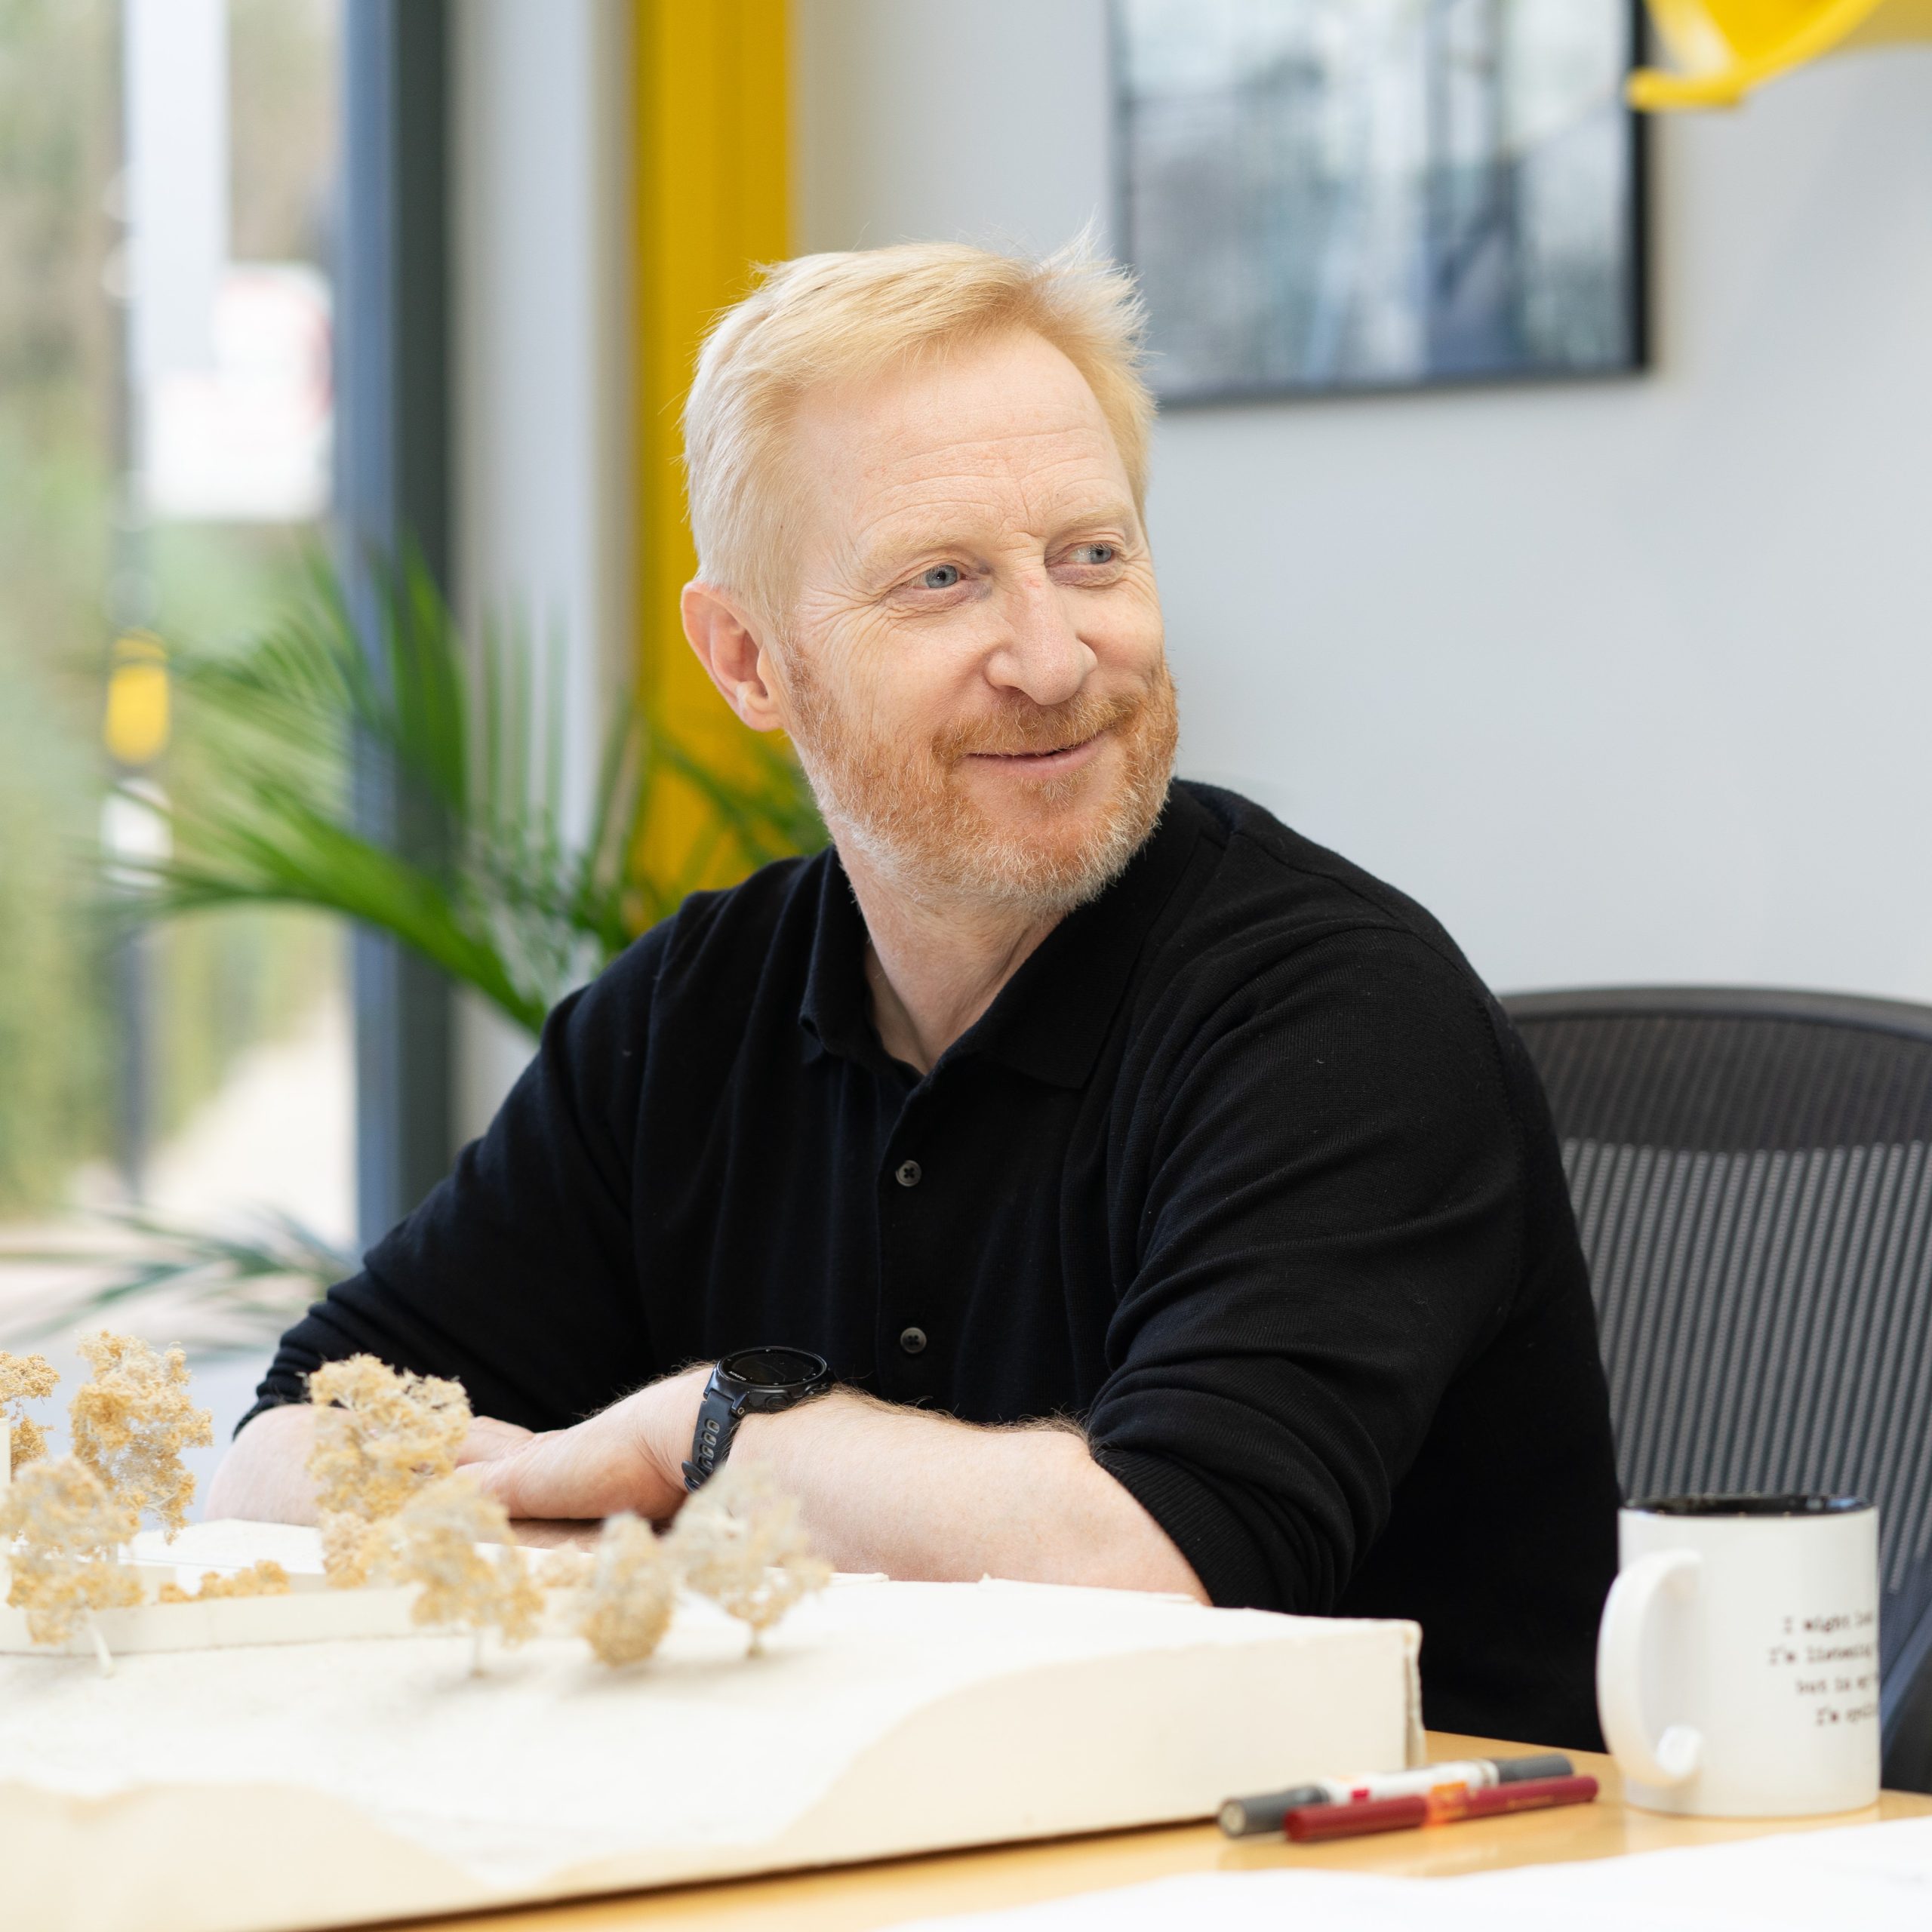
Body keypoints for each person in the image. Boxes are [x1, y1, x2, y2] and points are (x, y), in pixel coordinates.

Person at [210, 241, 1620, 1746]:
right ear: (748, 657)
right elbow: (287, 1454)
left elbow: (1150, 1570)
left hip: (1363, 1876)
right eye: (941, 579)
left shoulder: (1341, 1017)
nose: (1050, 653)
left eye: (1091, 555)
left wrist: (706, 1436)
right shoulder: (684, 1011)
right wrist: (615, 1510)